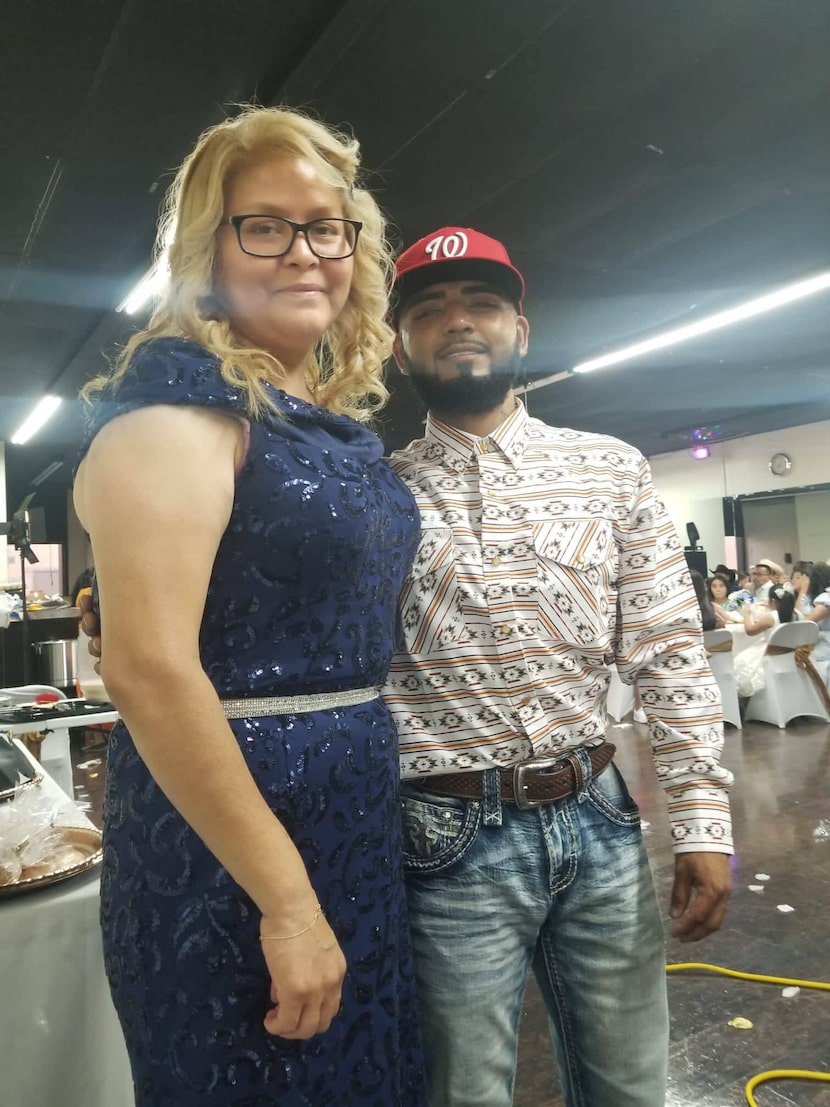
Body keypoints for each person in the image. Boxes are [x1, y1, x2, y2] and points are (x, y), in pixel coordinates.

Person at [73, 106, 426, 1107]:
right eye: (264, 226)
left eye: (327, 226)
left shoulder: (316, 422)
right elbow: (145, 669)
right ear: (206, 252)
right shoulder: (176, 423)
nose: (306, 252)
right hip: (229, 844)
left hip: (348, 816)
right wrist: (284, 903)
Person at [382, 227, 734, 1107]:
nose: (458, 322)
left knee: (630, 1086)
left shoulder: (609, 470)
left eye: (483, 305)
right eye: (429, 310)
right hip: (443, 837)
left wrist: (700, 817)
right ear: (400, 343)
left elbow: (668, 650)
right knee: (463, 1093)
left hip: (600, 816)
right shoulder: (376, 494)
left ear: (521, 330)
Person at [734, 584, 796, 696]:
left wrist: (746, 614)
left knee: (740, 661)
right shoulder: (797, 614)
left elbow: (750, 631)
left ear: (772, 601)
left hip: (770, 653)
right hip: (791, 654)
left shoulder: (771, 617)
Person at [802, 561, 830, 681]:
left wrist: (802, 592)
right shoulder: (814, 598)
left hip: (824, 646)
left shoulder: (826, 598)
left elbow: (806, 621)